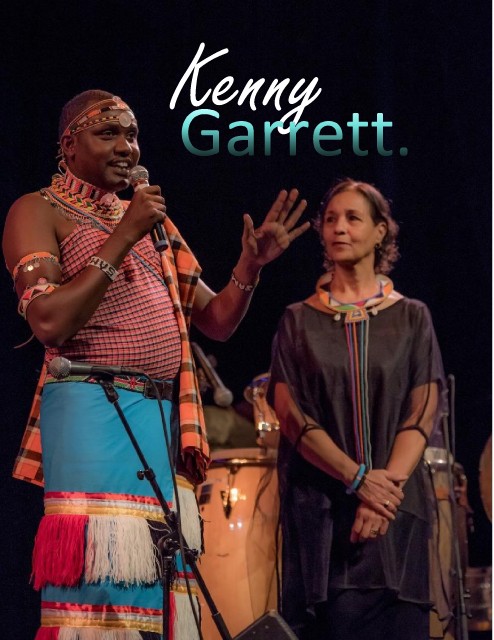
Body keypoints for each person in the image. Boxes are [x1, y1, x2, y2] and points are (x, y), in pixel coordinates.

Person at [2, 89, 309, 640]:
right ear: (69, 145)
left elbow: (215, 320)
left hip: (162, 418)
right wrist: (124, 235)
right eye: (109, 133)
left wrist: (249, 266)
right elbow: (48, 322)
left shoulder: (150, 221)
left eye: (132, 135)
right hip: (92, 409)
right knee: (107, 576)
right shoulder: (38, 210)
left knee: (163, 579)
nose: (127, 146)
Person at [268, 179, 445, 640]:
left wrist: (383, 495)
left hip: (395, 513)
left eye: (352, 218)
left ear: (381, 231)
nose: (339, 228)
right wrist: (358, 479)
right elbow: (291, 414)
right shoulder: (298, 320)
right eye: (330, 219)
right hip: (325, 516)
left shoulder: (412, 317)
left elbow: (422, 411)